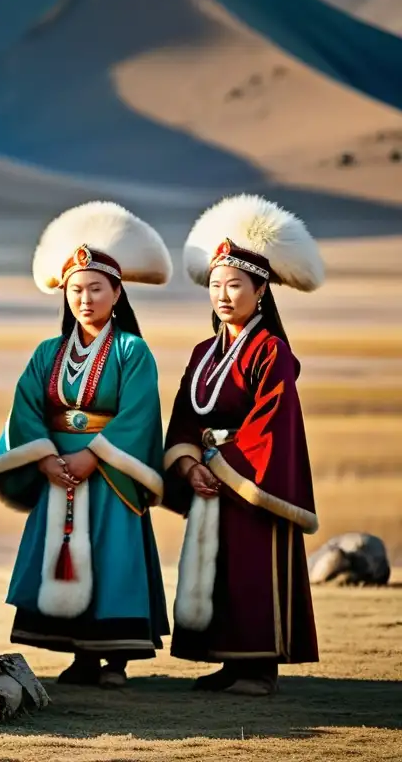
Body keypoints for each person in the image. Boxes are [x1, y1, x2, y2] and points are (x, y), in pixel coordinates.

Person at [0, 202, 171, 688]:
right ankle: (79, 656)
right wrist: (45, 457)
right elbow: (26, 406)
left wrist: (92, 455)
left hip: (110, 472)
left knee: (112, 554)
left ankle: (115, 660)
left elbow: (140, 413)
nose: (84, 299)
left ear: (117, 292)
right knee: (59, 551)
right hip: (57, 472)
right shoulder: (48, 351)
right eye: (76, 290)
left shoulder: (133, 350)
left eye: (95, 289)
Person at [165, 194, 323, 696]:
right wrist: (189, 464)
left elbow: (272, 418)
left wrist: (222, 466)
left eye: (235, 285)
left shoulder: (271, 350)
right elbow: (186, 414)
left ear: (261, 291)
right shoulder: (202, 351)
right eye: (215, 285)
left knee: (252, 568)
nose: (223, 295)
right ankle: (227, 662)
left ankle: (259, 668)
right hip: (211, 474)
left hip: (249, 477)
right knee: (215, 570)